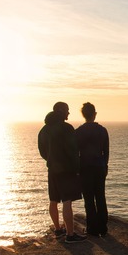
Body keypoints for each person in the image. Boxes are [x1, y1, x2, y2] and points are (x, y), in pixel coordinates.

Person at [38, 102, 87, 243]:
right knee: (67, 200)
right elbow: (73, 151)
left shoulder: (44, 130)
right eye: (67, 110)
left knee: (53, 199)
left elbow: (42, 151)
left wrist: (51, 160)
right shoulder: (66, 128)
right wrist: (77, 169)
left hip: (52, 169)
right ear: (61, 111)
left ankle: (58, 229)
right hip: (66, 169)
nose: (68, 113)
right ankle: (70, 235)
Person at [76, 102, 110, 237]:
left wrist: (77, 169)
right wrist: (105, 165)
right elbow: (106, 151)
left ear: (83, 115)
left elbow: (76, 152)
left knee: (88, 198)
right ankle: (103, 227)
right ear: (94, 114)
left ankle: (92, 227)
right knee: (100, 196)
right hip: (99, 167)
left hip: (85, 168)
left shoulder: (78, 132)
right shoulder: (102, 130)